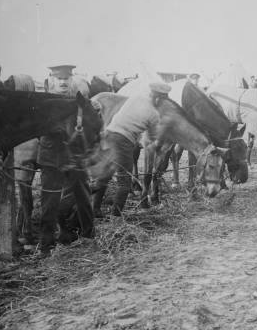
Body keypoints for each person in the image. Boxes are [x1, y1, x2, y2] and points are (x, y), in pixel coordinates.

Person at [37, 64, 95, 252]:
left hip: (75, 157)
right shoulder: (44, 103)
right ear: (52, 80)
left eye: (66, 79)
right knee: (49, 202)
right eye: (59, 79)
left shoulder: (78, 101)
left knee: (84, 196)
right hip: (51, 157)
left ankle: (88, 236)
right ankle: (46, 245)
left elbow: (90, 124)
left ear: (71, 80)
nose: (63, 82)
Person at [91, 82, 171, 217]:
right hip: (123, 142)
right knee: (125, 183)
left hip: (108, 134)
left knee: (104, 176)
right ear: (159, 99)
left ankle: (95, 209)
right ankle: (116, 216)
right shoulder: (154, 115)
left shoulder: (135, 98)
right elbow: (152, 140)